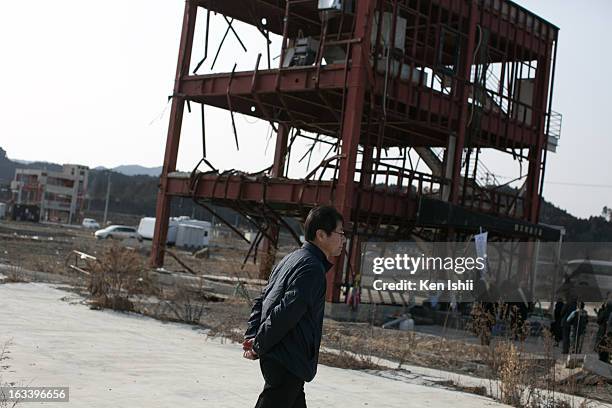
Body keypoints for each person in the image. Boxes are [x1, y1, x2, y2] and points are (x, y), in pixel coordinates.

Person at [242, 206, 346, 408]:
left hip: (284, 358)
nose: (343, 240)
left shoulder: (291, 259)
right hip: (287, 359)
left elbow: (262, 299)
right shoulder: (312, 268)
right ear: (321, 235)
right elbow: (286, 312)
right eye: (340, 233)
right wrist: (258, 344)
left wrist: (253, 336)